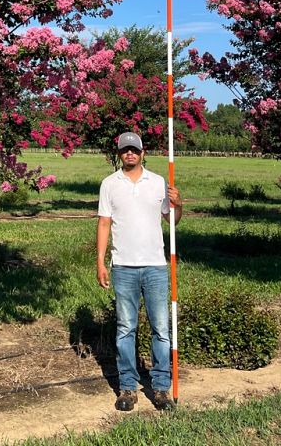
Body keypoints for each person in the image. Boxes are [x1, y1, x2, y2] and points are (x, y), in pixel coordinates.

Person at [96, 131, 183, 411]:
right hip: (123, 267)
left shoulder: (158, 183)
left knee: (161, 329)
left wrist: (178, 204)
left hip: (156, 266)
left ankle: (160, 387)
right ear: (119, 154)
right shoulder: (109, 185)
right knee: (125, 329)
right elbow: (104, 223)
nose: (130, 154)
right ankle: (128, 387)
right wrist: (100, 261)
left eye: (134, 150)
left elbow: (172, 221)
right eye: (125, 150)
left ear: (143, 153)